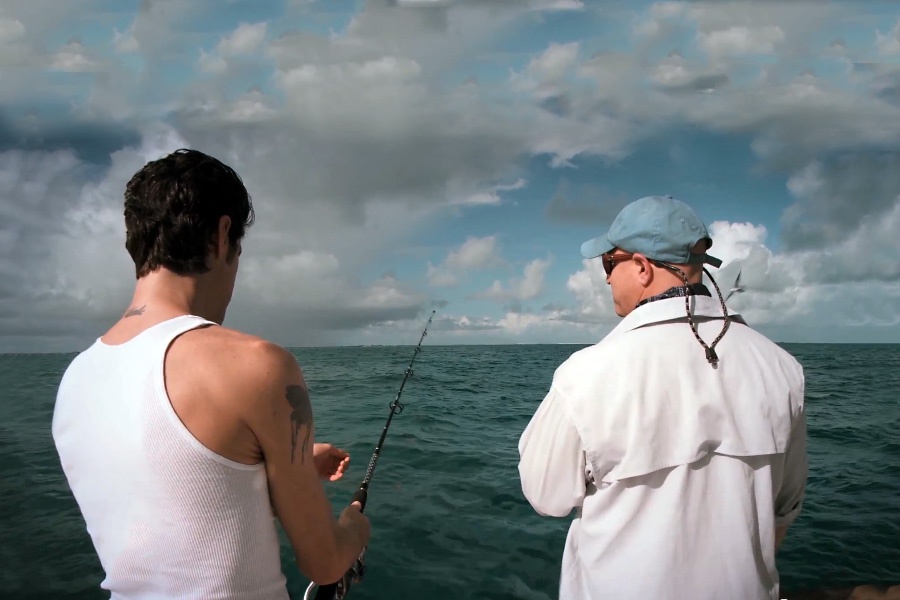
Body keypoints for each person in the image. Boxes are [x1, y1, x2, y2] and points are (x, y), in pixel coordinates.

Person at [51, 149, 370, 599]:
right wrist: (354, 529)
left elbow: (172, 525)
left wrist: (278, 469)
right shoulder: (258, 363)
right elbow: (324, 561)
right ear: (223, 236)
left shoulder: (75, 380)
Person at [517, 195, 807, 600]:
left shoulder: (584, 374)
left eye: (608, 263)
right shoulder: (782, 367)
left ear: (641, 267)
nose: (605, 279)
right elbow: (785, 507)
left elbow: (546, 496)